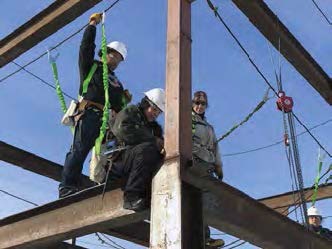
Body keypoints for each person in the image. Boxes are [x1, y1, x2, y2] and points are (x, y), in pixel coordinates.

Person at [59, 13, 130, 198]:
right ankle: (67, 187)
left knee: (110, 155)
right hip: (90, 114)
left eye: (119, 58)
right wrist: (92, 25)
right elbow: (85, 48)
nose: (116, 60)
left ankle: (105, 186)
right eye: (114, 55)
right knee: (79, 150)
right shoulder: (91, 67)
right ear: (106, 52)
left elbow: (119, 107)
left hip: (109, 122)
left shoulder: (117, 82)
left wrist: (125, 100)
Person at [110, 88, 165, 211]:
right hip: (120, 161)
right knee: (147, 149)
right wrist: (152, 139)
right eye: (154, 110)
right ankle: (131, 197)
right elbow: (121, 130)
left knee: (159, 157)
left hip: (138, 164)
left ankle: (150, 195)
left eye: (159, 112)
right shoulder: (130, 112)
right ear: (146, 104)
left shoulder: (155, 128)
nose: (156, 114)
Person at [191, 91, 224, 248]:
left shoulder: (209, 127)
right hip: (195, 163)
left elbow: (215, 147)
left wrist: (218, 165)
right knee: (200, 198)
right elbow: (187, 142)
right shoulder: (188, 120)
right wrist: (205, 155)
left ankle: (205, 237)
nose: (199, 106)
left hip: (207, 165)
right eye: (197, 103)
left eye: (202, 104)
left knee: (208, 201)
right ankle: (201, 237)